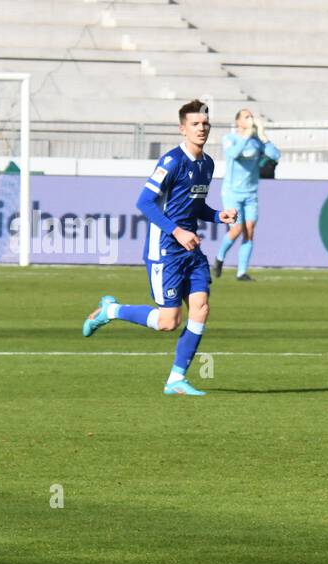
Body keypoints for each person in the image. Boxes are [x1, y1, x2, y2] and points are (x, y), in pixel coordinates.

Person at [81, 100, 237, 395]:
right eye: (195, 124)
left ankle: (176, 379)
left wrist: (218, 216)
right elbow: (144, 202)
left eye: (205, 124)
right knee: (169, 321)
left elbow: (195, 206)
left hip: (191, 250)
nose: (201, 128)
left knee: (200, 309)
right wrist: (177, 231)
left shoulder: (207, 164)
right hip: (164, 250)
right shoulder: (171, 162)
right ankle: (111, 310)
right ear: (182, 128)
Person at [215, 107, 280, 281]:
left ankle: (241, 272)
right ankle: (220, 258)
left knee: (249, 231)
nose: (250, 119)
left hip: (250, 194)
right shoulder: (230, 139)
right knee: (236, 229)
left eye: (251, 116)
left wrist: (263, 135)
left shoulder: (257, 142)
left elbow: (275, 155)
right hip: (231, 193)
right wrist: (246, 136)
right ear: (238, 122)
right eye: (246, 117)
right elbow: (233, 154)